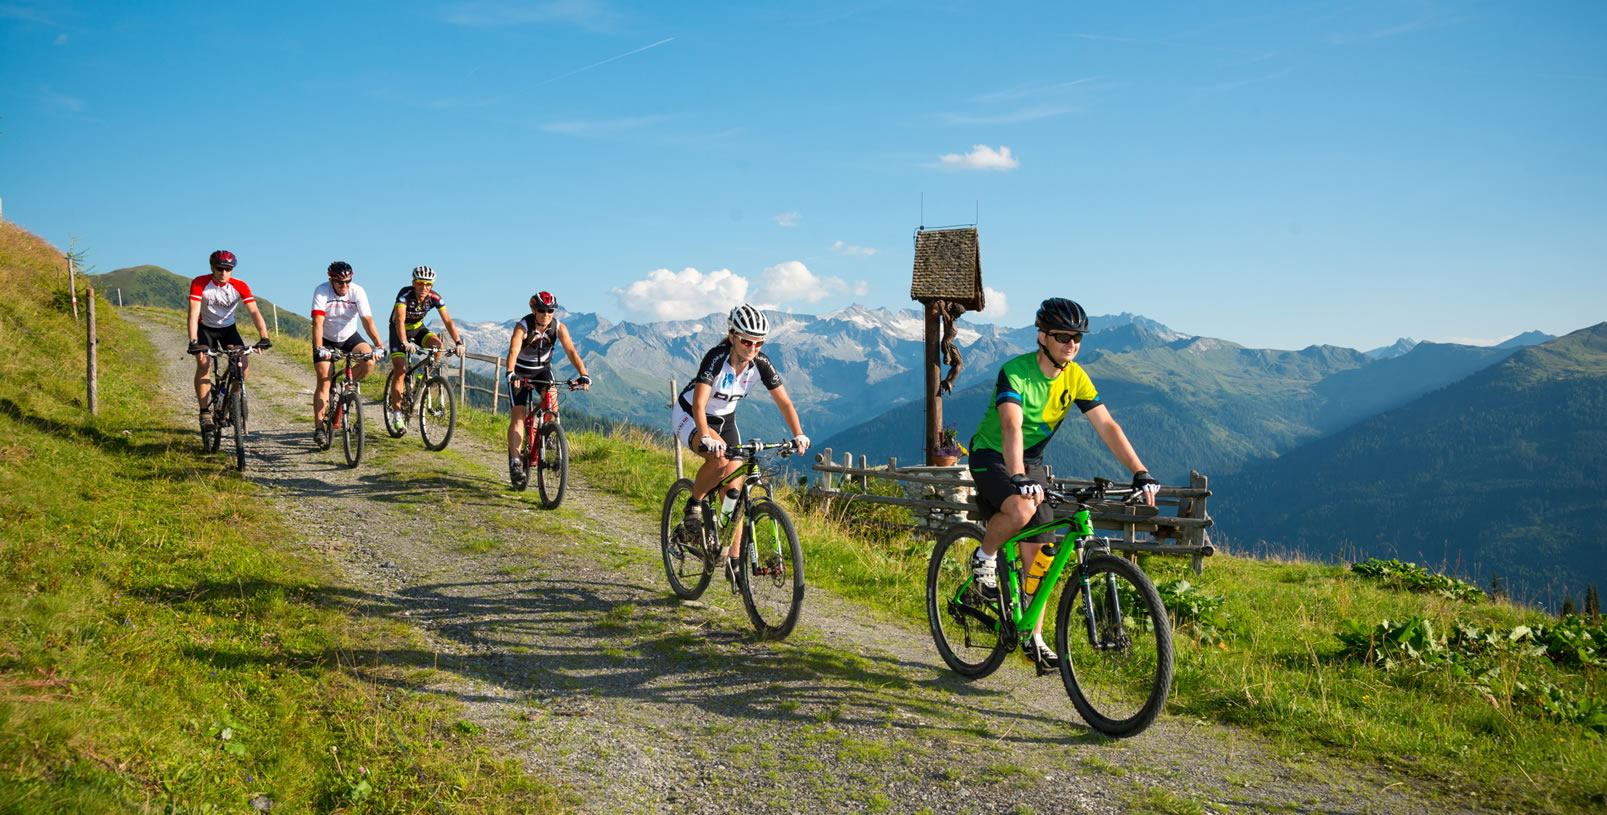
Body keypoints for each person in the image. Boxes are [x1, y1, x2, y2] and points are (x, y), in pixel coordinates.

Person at [967, 297, 1161, 669]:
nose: (1071, 343)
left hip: (1032, 461)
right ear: (1042, 337)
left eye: (1077, 337)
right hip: (993, 454)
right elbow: (1010, 426)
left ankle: (1033, 636)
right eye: (1062, 336)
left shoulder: (1076, 376)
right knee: (1022, 507)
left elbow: (1107, 426)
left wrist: (1140, 470)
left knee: (1042, 552)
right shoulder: (1016, 371)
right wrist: (1018, 477)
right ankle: (984, 558)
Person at [671, 304, 810, 580]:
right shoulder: (716, 358)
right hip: (691, 415)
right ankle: (694, 503)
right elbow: (699, 404)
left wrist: (798, 434)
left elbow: (784, 402)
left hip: (726, 420)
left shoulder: (761, 363)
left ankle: (733, 559)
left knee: (734, 490)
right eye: (747, 341)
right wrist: (707, 437)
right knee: (720, 459)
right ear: (732, 335)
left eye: (759, 342)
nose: (753, 347)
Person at [503, 291, 591, 483]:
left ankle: (549, 434)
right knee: (518, 416)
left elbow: (571, 351)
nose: (547, 314)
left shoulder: (558, 327)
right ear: (534, 310)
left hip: (542, 370)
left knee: (552, 401)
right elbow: (513, 350)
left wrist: (583, 374)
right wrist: (510, 373)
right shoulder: (523, 326)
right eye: (542, 310)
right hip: (520, 371)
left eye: (551, 310)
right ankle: (516, 461)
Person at [186, 250, 271, 434]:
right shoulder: (200, 282)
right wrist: (193, 341)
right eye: (219, 269)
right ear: (212, 268)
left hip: (228, 330)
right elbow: (193, 314)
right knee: (203, 364)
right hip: (205, 328)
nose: (223, 273)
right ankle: (204, 413)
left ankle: (233, 400)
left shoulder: (239, 286)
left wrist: (264, 337)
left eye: (228, 269)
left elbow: (254, 312)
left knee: (243, 364)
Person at [310, 261, 385, 449]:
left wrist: (378, 345)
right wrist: (320, 348)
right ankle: (319, 429)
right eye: (340, 283)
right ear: (331, 280)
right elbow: (317, 322)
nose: (344, 286)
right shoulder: (321, 291)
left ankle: (346, 388)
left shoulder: (357, 291)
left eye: (347, 282)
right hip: (325, 339)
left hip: (349, 337)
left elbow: (367, 320)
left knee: (368, 361)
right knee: (324, 380)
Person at [386, 265, 464, 432]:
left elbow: (448, 322)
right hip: (398, 330)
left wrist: (458, 343)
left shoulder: (435, 298)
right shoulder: (405, 294)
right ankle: (397, 414)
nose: (424, 287)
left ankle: (423, 375)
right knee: (400, 369)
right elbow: (399, 320)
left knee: (437, 347)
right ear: (414, 283)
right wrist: (405, 342)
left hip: (418, 328)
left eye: (428, 284)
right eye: (420, 283)